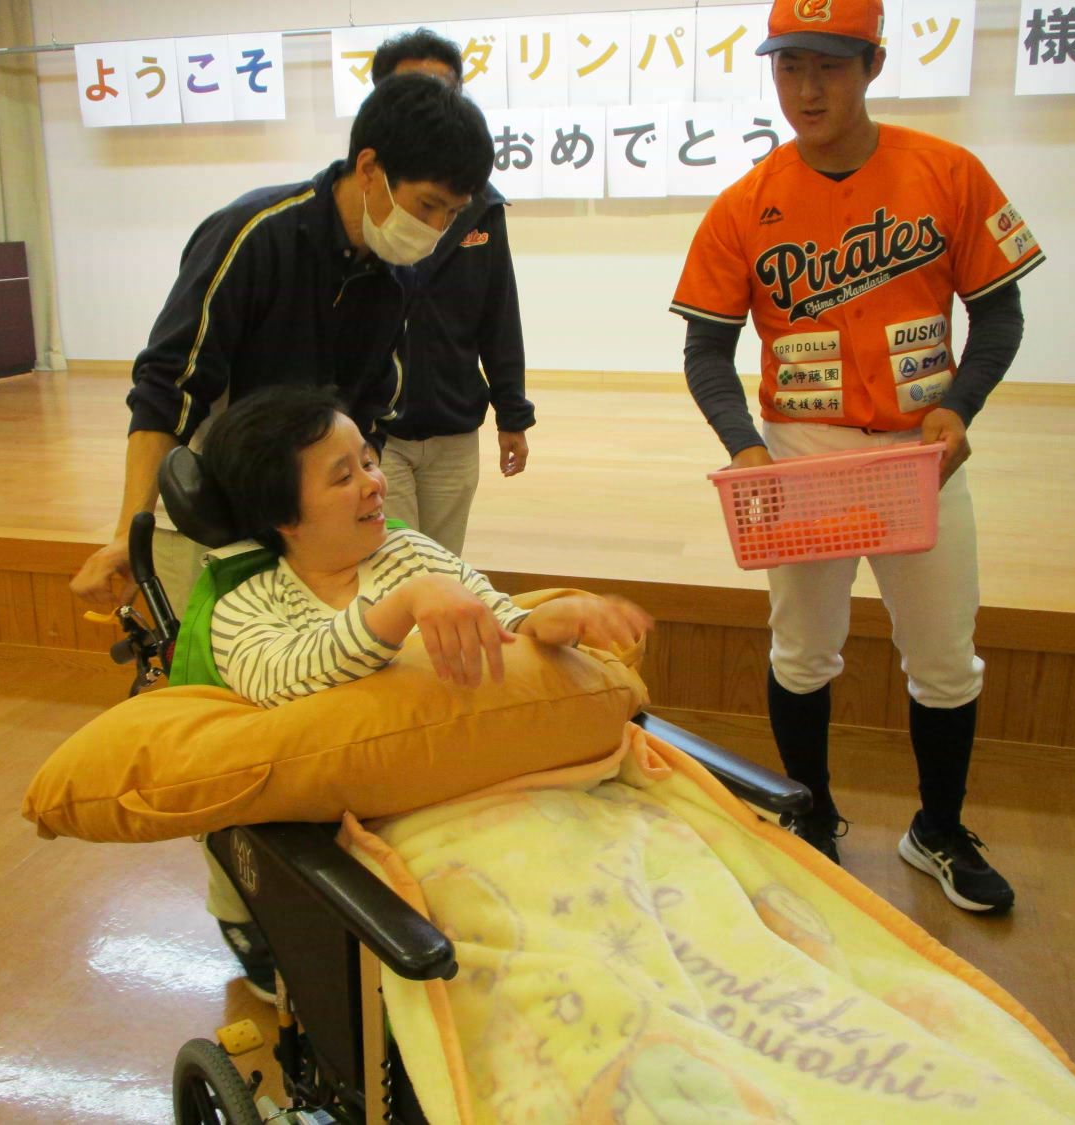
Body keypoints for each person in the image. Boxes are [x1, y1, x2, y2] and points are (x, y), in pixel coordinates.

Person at [670, 0, 1043, 914]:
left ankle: (938, 829)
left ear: (873, 65)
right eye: (789, 65)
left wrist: (959, 406)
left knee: (945, 657)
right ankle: (814, 816)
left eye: (829, 65)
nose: (807, 88)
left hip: (923, 451)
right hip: (803, 450)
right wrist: (744, 447)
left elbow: (998, 314)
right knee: (803, 651)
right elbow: (706, 350)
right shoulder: (745, 202)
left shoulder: (947, 172)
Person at [201, 384, 652, 997]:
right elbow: (280, 681)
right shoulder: (247, 606)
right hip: (398, 832)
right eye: (343, 477)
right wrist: (401, 609)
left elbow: (498, 619)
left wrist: (548, 623)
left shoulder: (410, 553)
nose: (373, 484)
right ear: (284, 516)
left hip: (508, 788)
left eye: (368, 461)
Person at [69, 73, 495, 610]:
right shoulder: (254, 234)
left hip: (303, 522)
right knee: (206, 651)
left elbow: (371, 409)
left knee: (298, 656)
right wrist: (127, 535)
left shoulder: (396, 275)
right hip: (208, 509)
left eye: (451, 215)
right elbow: (168, 388)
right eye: (428, 205)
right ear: (369, 168)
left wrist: (352, 496)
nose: (435, 228)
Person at [367, 29, 535, 555]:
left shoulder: (480, 207)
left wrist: (512, 414)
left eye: (442, 90)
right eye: (411, 92)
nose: (429, 107)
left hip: (455, 428)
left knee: (444, 569)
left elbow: (498, 313)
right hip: (377, 432)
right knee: (393, 570)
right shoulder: (360, 204)